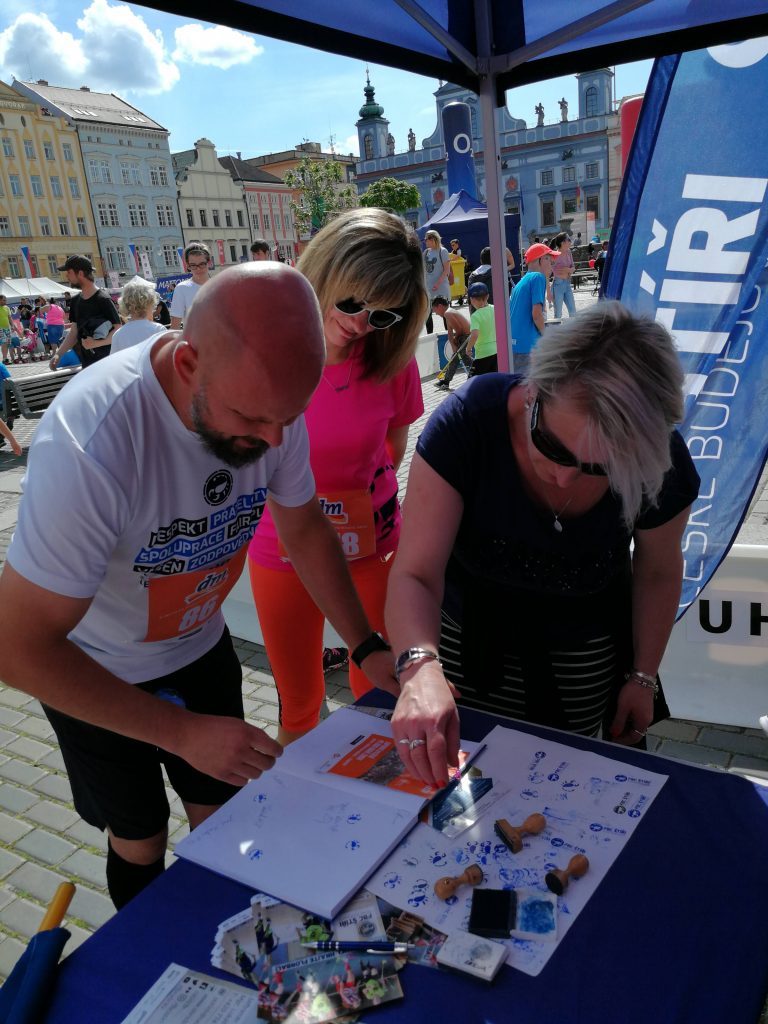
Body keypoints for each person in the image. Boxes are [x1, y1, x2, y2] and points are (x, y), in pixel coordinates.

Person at [0, 263, 396, 909]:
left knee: (224, 815)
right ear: (188, 364)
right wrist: (180, 732)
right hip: (94, 670)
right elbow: (17, 648)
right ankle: (148, 951)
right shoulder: (92, 441)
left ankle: (219, 936)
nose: (272, 440)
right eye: (252, 418)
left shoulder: (269, 403)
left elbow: (303, 526)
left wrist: (366, 643)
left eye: (288, 418)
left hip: (199, 645)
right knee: (141, 838)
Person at [386, 302, 700, 786]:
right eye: (552, 446)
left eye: (600, 466)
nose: (564, 476)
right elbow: (415, 571)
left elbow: (658, 570)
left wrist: (642, 676)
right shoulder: (471, 422)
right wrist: (419, 667)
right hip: (463, 648)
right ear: (533, 391)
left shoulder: (657, 457)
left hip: (582, 663)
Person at [248, 209, 425, 746]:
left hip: (372, 544)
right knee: (299, 702)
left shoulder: (392, 361)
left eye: (383, 315)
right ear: (323, 272)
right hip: (282, 546)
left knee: (378, 695)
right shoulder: (264, 354)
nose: (361, 323)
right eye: (351, 303)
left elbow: (393, 449)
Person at [49, 256, 120, 370]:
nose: (66, 276)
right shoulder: (76, 300)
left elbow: (118, 330)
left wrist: (96, 343)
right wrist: (58, 354)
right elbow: (74, 332)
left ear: (80, 273)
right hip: (87, 364)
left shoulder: (103, 299)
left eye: (69, 272)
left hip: (108, 364)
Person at [509, 243, 557, 378]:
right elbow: (536, 315)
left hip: (515, 346)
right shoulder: (538, 277)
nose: (552, 266)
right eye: (550, 261)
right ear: (541, 260)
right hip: (527, 347)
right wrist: (546, 336)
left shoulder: (521, 282)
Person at [111, 277, 167, 354]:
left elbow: (115, 360)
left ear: (125, 304)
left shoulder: (118, 335)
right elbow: (166, 357)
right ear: (150, 302)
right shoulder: (158, 330)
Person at [431, 297, 472, 390]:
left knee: (457, 358)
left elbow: (459, 330)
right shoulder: (448, 313)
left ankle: (446, 382)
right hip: (464, 336)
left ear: (440, 306)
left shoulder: (448, 313)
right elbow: (450, 333)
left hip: (465, 336)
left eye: (435, 310)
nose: (436, 314)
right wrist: (453, 345)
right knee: (461, 358)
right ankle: (446, 382)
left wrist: (455, 340)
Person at [170, 242, 211, 330]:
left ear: (209, 263)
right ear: (188, 266)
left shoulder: (220, 285)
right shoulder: (182, 288)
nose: (198, 269)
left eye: (202, 264)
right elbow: (175, 326)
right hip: (194, 339)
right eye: (193, 265)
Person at [466, 282, 497, 375]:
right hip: (497, 351)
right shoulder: (495, 309)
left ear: (471, 299)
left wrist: (468, 348)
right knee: (492, 380)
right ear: (487, 296)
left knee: (472, 381)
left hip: (482, 354)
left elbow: (475, 334)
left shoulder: (475, 316)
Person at [423, 230, 451, 332]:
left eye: (426, 239)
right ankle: (430, 336)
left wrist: (437, 284)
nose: (425, 241)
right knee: (427, 315)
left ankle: (449, 336)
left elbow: (446, 270)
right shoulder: (426, 252)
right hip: (428, 289)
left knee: (445, 315)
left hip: (441, 289)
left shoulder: (443, 251)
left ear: (433, 239)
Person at [550, 232, 577, 319]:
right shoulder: (554, 255)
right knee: (558, 314)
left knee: (573, 312)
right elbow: (549, 270)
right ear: (562, 242)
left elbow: (573, 267)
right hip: (558, 285)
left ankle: (573, 328)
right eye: (568, 239)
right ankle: (556, 328)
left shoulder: (569, 252)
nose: (570, 241)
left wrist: (568, 270)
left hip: (567, 284)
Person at [0, 296, 12, 364]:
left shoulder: (7, 308)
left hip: (7, 328)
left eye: (5, 300)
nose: (5, 301)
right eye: (4, 300)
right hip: (0, 328)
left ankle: (5, 358)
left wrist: (12, 326)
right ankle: (4, 359)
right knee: (4, 343)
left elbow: (9, 318)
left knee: (7, 343)